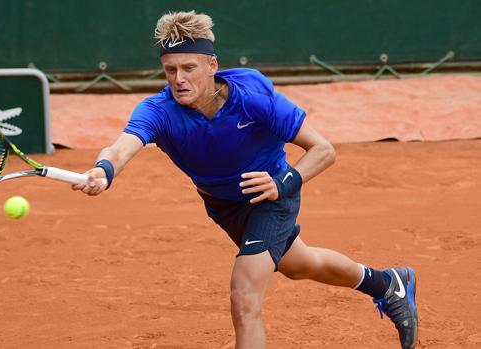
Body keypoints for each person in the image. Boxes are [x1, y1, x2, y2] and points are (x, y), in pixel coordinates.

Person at [72, 10, 418, 349]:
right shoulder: (158, 111)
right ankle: (388, 284)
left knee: (244, 298)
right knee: (298, 264)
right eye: (170, 70)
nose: (179, 79)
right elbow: (119, 149)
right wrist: (104, 170)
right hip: (223, 205)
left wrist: (282, 183)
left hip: (271, 195)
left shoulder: (251, 97)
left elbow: (323, 150)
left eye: (189, 68)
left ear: (212, 66)